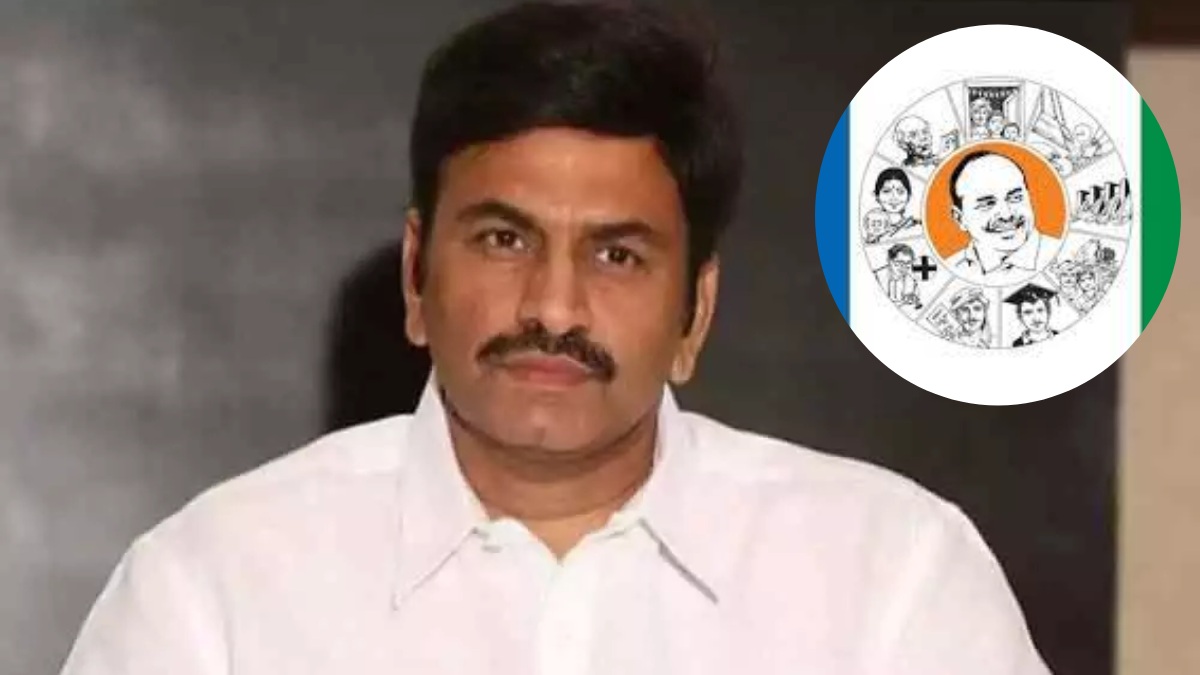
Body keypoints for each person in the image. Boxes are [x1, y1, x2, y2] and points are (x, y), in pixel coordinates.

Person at [60, 3, 1051, 674]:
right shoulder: (212, 590)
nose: (555, 307)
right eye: (504, 240)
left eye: (617, 255)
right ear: (417, 276)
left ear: (696, 312)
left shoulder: (893, 578)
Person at [946, 150, 1060, 285]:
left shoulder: (1063, 255)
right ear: (960, 219)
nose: (1006, 214)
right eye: (987, 204)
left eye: (1015, 198)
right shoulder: (948, 270)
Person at [861, 167, 919, 243]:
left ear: (909, 196)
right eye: (886, 191)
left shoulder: (914, 227)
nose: (894, 197)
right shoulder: (872, 228)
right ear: (876, 195)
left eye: (900, 192)